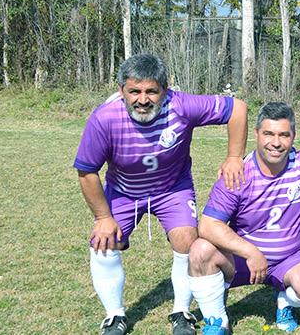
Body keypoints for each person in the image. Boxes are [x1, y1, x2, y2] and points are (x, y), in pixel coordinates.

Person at [74, 54, 248, 335]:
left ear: (165, 90)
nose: (143, 99)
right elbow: (86, 172)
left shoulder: (182, 105)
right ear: (121, 90)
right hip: (124, 191)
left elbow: (237, 109)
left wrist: (234, 157)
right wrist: (103, 217)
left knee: (186, 240)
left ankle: (182, 312)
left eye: (151, 91)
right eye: (134, 91)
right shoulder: (104, 118)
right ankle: (114, 316)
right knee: (104, 243)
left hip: (172, 189)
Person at [188, 103, 300, 334]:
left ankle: (285, 301)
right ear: (257, 134)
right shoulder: (237, 173)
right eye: (268, 134)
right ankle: (218, 321)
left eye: (284, 135)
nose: (276, 143)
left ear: (293, 136)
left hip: (291, 257)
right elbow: (209, 225)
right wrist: (251, 252)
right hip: (243, 259)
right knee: (200, 250)